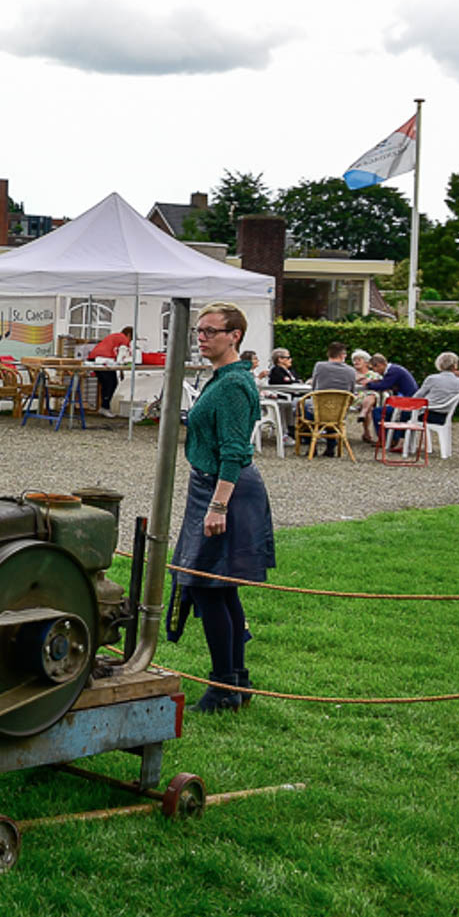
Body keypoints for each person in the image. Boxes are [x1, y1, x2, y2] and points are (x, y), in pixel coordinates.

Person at [173, 303, 275, 713]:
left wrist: (218, 506)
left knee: (208, 585)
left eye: (211, 331)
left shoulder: (233, 383)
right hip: (213, 486)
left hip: (225, 489)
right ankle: (235, 683)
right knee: (220, 586)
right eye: (199, 331)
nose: (202, 338)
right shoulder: (224, 377)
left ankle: (222, 688)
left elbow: (234, 450)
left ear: (235, 335)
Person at [305, 340, 359, 455]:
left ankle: (311, 445)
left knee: (302, 406)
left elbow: (314, 388)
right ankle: (331, 446)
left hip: (319, 410)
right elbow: (352, 392)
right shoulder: (351, 371)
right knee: (332, 410)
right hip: (339, 413)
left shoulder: (319, 366)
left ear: (328, 354)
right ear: (343, 355)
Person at [363, 352, 418, 443]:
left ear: (380, 365)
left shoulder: (393, 371)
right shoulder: (395, 369)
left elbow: (383, 386)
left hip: (407, 404)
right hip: (408, 401)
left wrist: (368, 384)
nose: (375, 371)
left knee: (377, 411)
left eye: (374, 368)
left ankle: (384, 439)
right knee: (386, 411)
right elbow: (386, 382)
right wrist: (377, 381)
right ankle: (391, 438)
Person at [87, 325, 133, 412]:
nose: (129, 342)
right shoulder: (124, 338)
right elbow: (121, 356)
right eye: (131, 339)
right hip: (103, 360)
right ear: (129, 335)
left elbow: (117, 355)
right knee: (112, 383)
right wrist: (123, 366)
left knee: (106, 383)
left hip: (94, 357)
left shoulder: (114, 336)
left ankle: (104, 406)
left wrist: (121, 370)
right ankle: (105, 407)